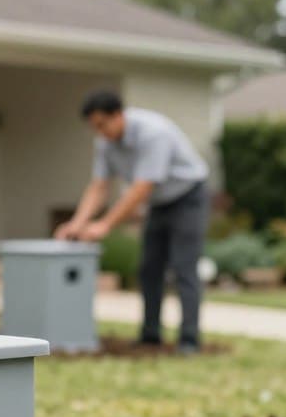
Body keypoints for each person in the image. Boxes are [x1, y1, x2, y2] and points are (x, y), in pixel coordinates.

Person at [55, 91, 210, 354]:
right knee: (149, 268)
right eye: (94, 127)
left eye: (102, 124)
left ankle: (189, 340)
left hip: (188, 197)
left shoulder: (153, 133)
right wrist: (77, 224)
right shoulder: (105, 142)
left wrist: (105, 225)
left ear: (118, 115)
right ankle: (150, 336)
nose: (99, 132)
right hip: (158, 203)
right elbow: (99, 186)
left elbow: (141, 188)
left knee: (183, 267)